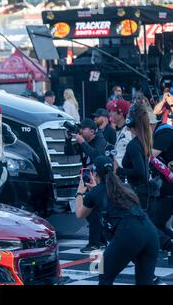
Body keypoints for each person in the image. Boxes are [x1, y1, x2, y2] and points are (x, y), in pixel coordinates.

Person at [75, 155, 159, 285]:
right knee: (144, 282)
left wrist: (80, 192)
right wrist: (95, 190)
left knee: (104, 275)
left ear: (95, 174)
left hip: (129, 233)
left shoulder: (95, 192)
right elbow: (108, 198)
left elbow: (79, 213)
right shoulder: (126, 187)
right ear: (113, 171)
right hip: (150, 232)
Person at [65, 118, 108, 252]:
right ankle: (100, 240)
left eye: (83, 129)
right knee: (91, 211)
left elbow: (97, 156)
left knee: (93, 211)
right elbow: (69, 152)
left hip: (100, 180)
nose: (80, 131)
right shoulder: (83, 141)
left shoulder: (100, 140)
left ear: (92, 131)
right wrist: (67, 139)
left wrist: (82, 142)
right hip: (88, 177)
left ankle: (95, 242)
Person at [116, 104, 151, 210]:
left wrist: (119, 171)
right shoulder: (143, 141)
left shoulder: (133, 145)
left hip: (137, 192)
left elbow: (140, 171)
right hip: (143, 191)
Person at [149, 112, 173, 254]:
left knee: (156, 223)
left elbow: (150, 155)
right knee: (158, 223)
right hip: (166, 187)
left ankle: (168, 245)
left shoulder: (164, 133)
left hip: (169, 187)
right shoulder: (162, 132)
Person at [107, 99, 132, 167]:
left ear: (120, 114)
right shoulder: (120, 131)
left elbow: (120, 164)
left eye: (113, 111)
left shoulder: (126, 135)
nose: (110, 113)